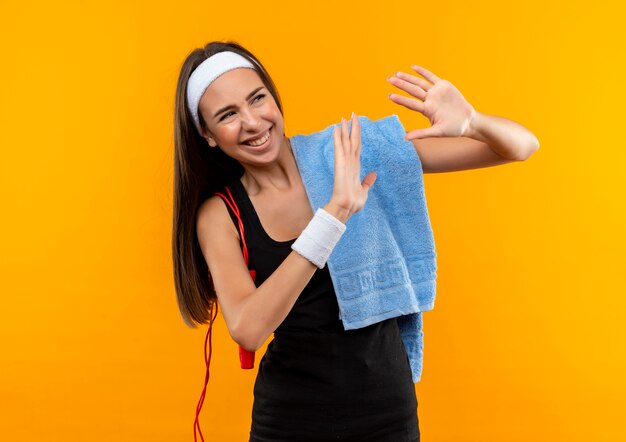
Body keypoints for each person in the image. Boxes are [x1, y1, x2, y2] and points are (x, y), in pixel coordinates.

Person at [172, 40, 539, 442]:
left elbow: (522, 147)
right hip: (290, 423)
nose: (253, 121)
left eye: (257, 98)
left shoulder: (353, 152)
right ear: (207, 135)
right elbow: (248, 329)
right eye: (228, 115)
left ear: (273, 99)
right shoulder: (221, 213)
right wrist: (334, 215)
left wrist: (473, 123)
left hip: (388, 415)